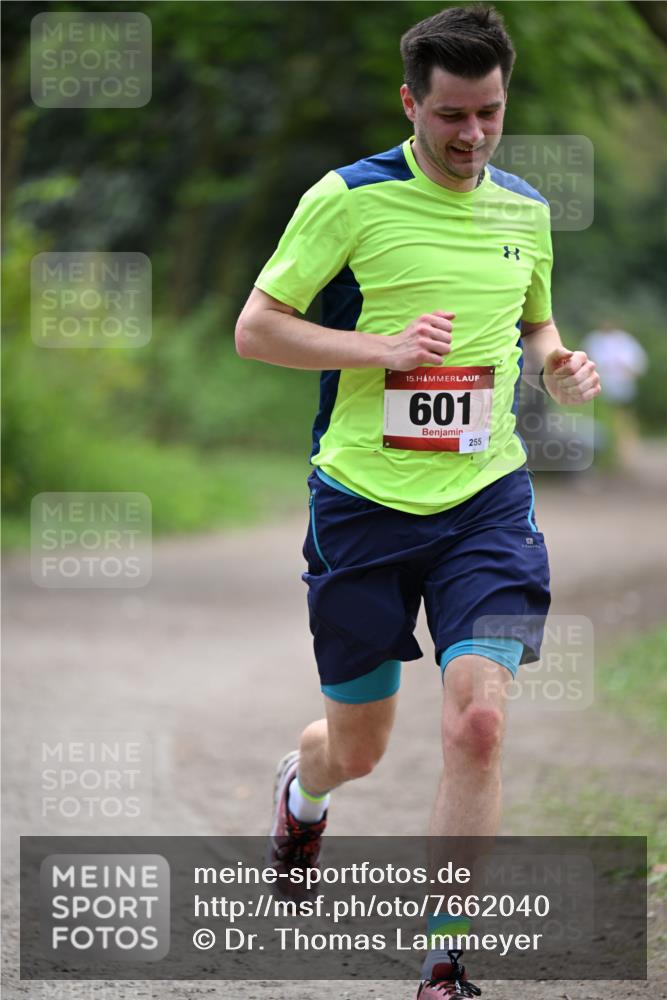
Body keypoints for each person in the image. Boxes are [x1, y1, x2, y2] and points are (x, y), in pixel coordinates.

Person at [236, 5, 601, 997]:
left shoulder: (524, 210)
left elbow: (532, 323)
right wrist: (379, 350)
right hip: (361, 500)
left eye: (487, 112)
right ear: (410, 103)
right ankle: (303, 791)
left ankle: (445, 954)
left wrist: (556, 362)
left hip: (486, 496)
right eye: (450, 114)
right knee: (357, 746)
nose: (472, 134)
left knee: (476, 724)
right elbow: (257, 330)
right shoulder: (346, 200)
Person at [582, 321, 646, 467]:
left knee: (623, 418)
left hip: (622, 388)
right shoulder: (594, 340)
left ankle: (625, 449)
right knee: (603, 417)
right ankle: (608, 450)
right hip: (598, 389)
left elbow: (638, 366)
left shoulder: (626, 341)